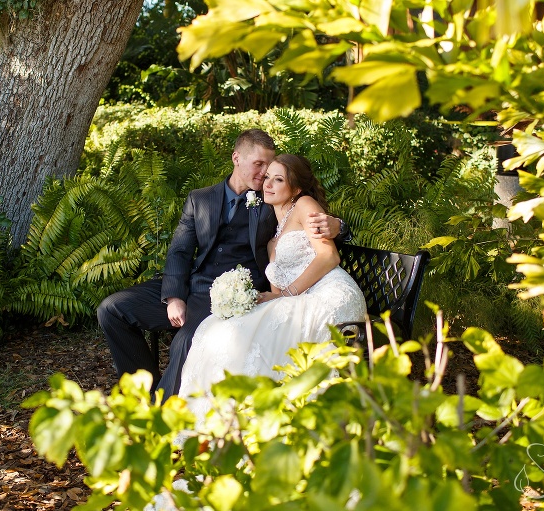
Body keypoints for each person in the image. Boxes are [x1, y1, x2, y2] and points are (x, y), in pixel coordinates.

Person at [97, 130, 349, 400]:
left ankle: (162, 410)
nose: (265, 174)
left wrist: (339, 227)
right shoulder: (200, 199)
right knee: (112, 309)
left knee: (185, 341)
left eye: (270, 165)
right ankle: (142, 394)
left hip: (232, 296)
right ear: (236, 158)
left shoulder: (271, 199)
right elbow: (180, 251)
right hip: (193, 285)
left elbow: (306, 219)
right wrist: (174, 297)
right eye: (259, 164)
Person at [177, 154, 366, 417]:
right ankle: (225, 414)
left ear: (296, 188)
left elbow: (329, 256)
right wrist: (269, 296)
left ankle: (266, 413)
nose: (268, 184)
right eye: (267, 177)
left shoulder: (304, 205)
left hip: (330, 294)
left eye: (279, 179)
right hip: (298, 295)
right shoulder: (272, 223)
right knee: (218, 328)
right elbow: (279, 285)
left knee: (254, 332)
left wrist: (286, 294)